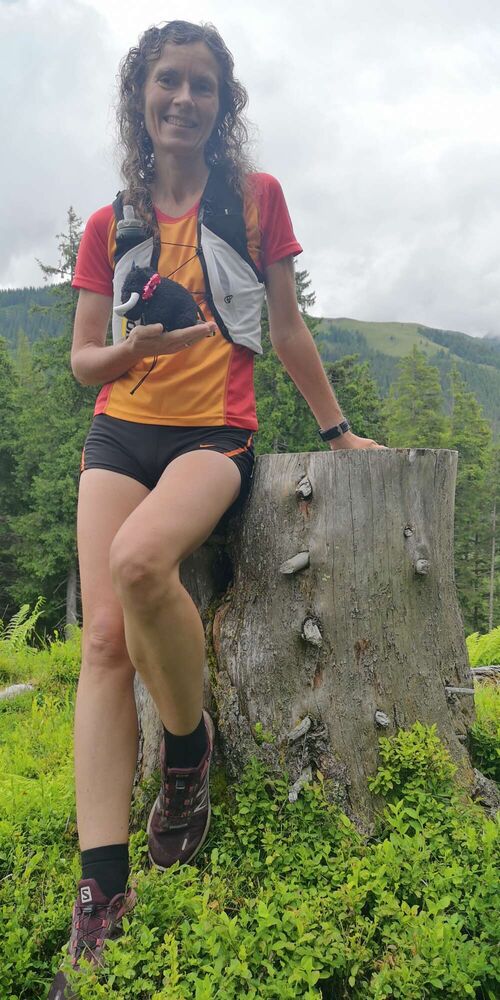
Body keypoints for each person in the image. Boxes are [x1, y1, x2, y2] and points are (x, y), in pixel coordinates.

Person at [48, 18, 382, 998]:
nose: (183, 98)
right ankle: (101, 894)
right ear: (140, 96)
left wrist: (337, 432)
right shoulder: (113, 224)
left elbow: (285, 327)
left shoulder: (254, 199)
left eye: (202, 84)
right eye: (167, 81)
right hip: (118, 433)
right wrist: (130, 352)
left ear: (222, 102)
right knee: (103, 641)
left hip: (213, 436)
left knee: (139, 561)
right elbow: (83, 361)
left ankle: (186, 749)